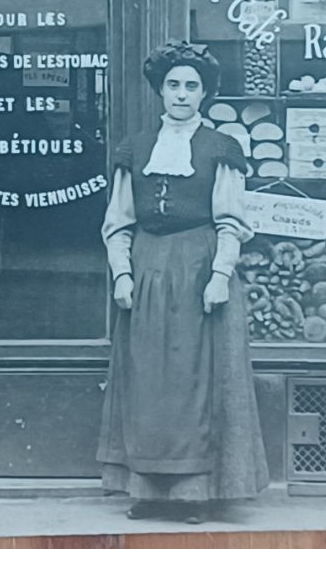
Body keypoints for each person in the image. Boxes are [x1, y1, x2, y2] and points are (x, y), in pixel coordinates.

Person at [97, 42, 270, 522]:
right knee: (148, 379)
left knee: (196, 380)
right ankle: (148, 490)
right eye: (173, 85)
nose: (181, 94)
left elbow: (231, 219)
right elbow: (119, 218)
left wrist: (220, 274)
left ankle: (196, 493)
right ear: (160, 90)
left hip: (200, 265)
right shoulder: (135, 147)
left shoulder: (221, 148)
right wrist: (123, 273)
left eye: (192, 86)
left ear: (205, 94)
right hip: (148, 265)